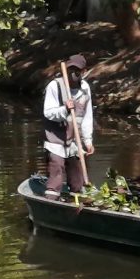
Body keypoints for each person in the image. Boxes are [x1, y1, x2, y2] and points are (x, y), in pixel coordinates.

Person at [41, 53, 94, 197]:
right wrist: (64, 109)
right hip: (55, 141)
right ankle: (51, 202)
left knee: (78, 182)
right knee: (56, 175)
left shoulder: (85, 89)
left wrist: (88, 141)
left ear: (83, 71)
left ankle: (78, 204)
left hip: (74, 143)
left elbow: (87, 116)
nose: (73, 74)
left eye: (77, 71)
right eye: (71, 70)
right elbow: (49, 113)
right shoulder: (55, 86)